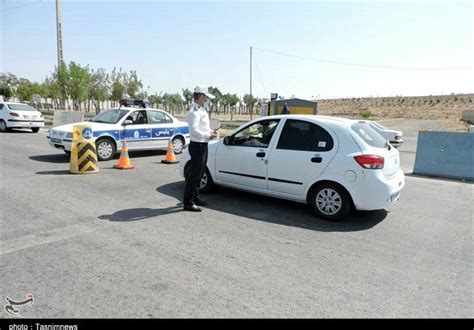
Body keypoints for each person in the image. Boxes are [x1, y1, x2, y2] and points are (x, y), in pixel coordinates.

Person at [183, 86, 218, 212]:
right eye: (206, 97)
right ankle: (188, 202)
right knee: (194, 175)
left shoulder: (201, 110)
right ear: (202, 97)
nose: (207, 100)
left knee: (200, 173)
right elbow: (194, 130)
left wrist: (210, 131)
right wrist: (208, 135)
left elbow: (202, 128)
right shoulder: (194, 111)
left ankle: (195, 197)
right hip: (197, 146)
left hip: (203, 144)